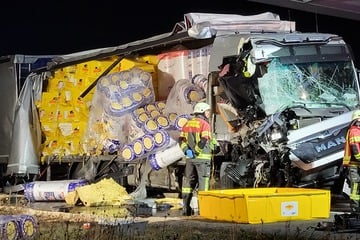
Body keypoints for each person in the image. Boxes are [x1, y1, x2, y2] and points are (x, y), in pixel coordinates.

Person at [179, 102, 214, 216]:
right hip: (202, 159)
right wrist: (197, 152)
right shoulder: (205, 124)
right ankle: (204, 210)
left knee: (188, 183)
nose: (209, 113)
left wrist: (187, 151)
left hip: (190, 160)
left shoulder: (187, 124)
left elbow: (181, 140)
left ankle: (186, 208)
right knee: (203, 183)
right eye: (207, 111)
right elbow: (204, 140)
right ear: (202, 111)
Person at [343, 109, 360, 212]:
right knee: (356, 184)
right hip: (354, 163)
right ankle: (355, 207)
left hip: (356, 163)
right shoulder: (354, 131)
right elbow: (355, 148)